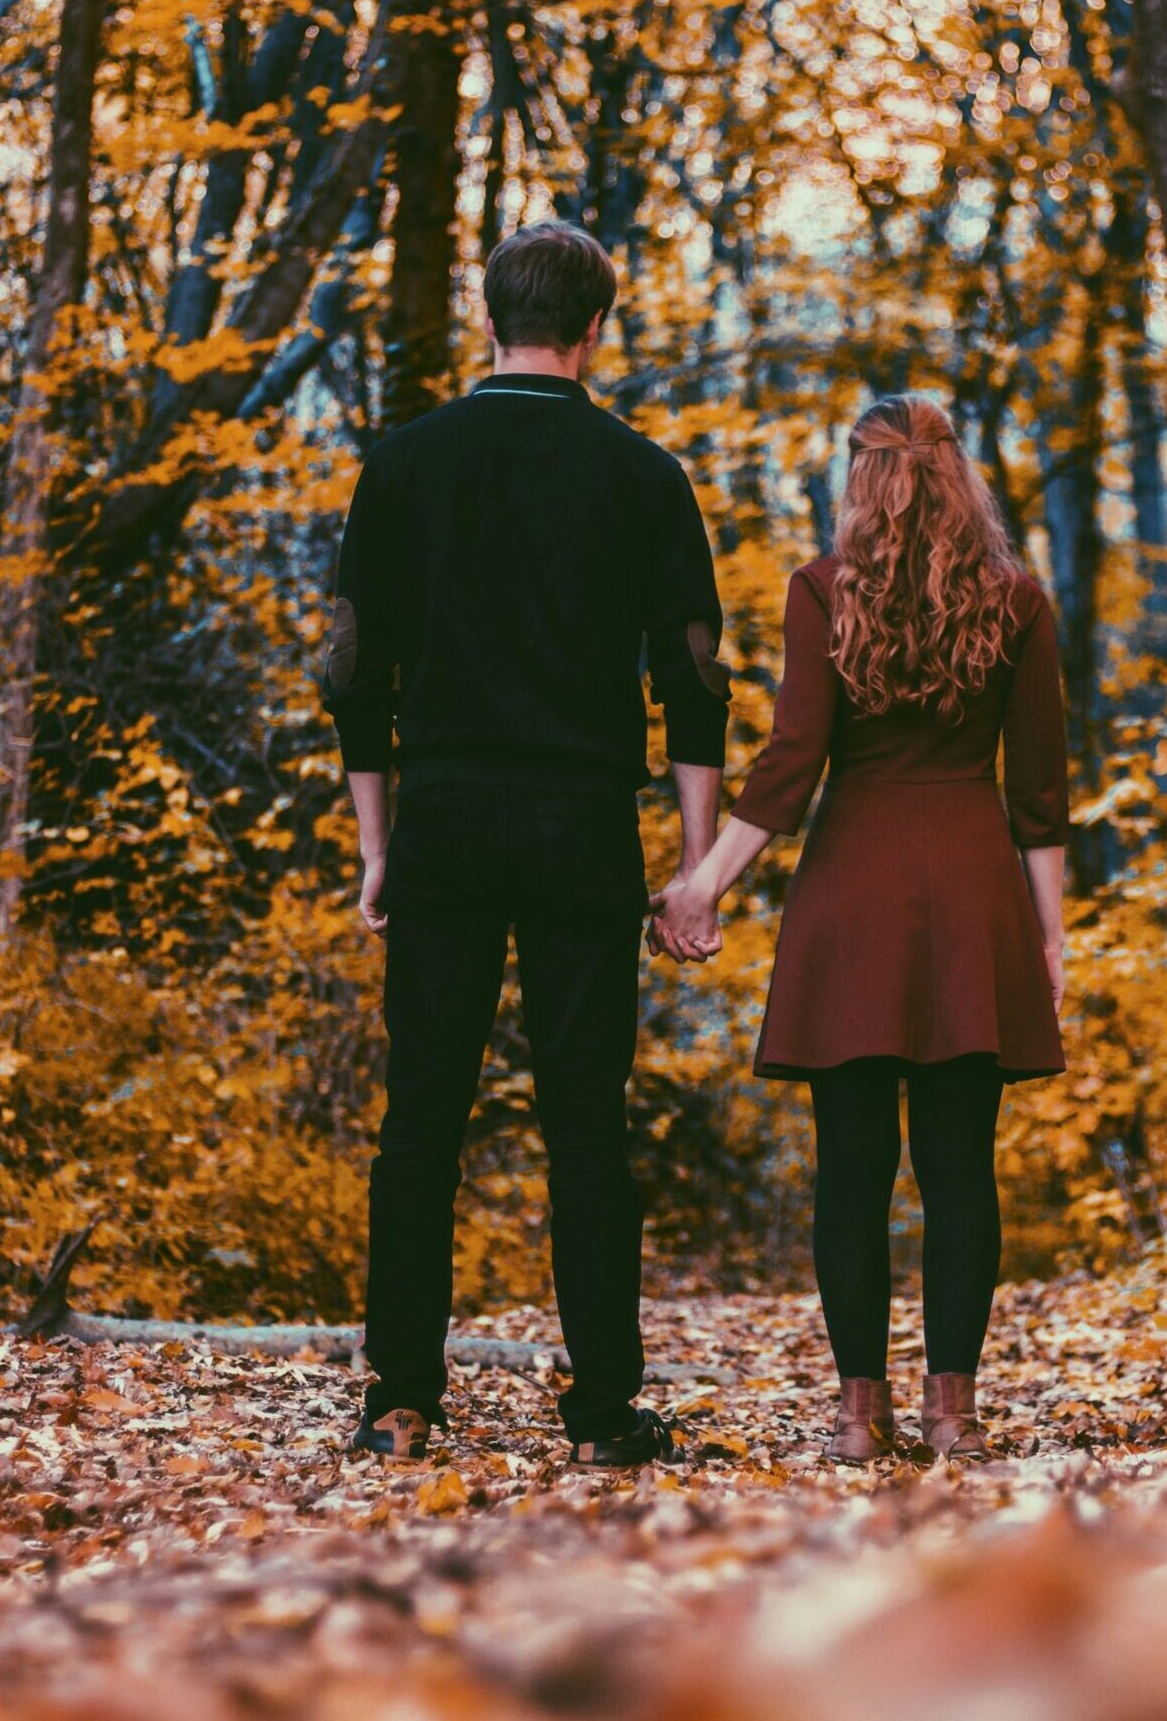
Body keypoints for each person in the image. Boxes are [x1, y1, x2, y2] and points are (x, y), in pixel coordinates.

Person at [321, 220, 731, 1468]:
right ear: (597, 325)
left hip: (442, 812)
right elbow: (695, 678)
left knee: (419, 1121)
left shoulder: (403, 464)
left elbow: (350, 666)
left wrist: (376, 841)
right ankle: (605, 1407)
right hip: (582, 823)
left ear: (487, 312)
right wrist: (695, 863)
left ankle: (401, 1399)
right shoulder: (644, 475)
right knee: (586, 1125)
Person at [654, 394, 1068, 1465]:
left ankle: (856, 1411)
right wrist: (1049, 937)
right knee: (958, 1167)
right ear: (955, 475)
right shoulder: (1017, 601)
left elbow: (792, 761)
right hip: (971, 896)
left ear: (861, 480)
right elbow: (1039, 794)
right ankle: (953, 1411)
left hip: (852, 897)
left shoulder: (821, 591)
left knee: (849, 1167)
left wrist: (704, 881)